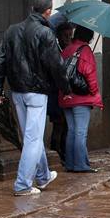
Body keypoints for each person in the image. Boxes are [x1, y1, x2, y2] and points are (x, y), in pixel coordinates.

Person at [0, 0, 72, 196]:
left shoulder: (11, 30)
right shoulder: (45, 33)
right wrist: (66, 88)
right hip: (37, 92)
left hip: (17, 91)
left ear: (32, 8)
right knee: (32, 139)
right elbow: (56, 65)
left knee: (31, 137)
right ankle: (22, 185)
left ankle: (43, 176)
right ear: (48, 12)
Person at [59, 25, 103, 173]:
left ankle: (70, 164)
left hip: (66, 96)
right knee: (80, 132)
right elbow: (90, 75)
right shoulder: (85, 51)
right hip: (81, 98)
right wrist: (95, 93)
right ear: (89, 37)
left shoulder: (67, 50)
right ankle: (81, 165)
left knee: (72, 131)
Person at [49, 22, 74, 165]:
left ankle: (62, 152)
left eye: (70, 35)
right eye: (65, 36)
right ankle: (57, 151)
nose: (68, 39)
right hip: (56, 94)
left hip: (64, 93)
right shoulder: (56, 51)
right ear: (58, 36)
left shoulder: (69, 50)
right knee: (59, 124)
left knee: (64, 125)